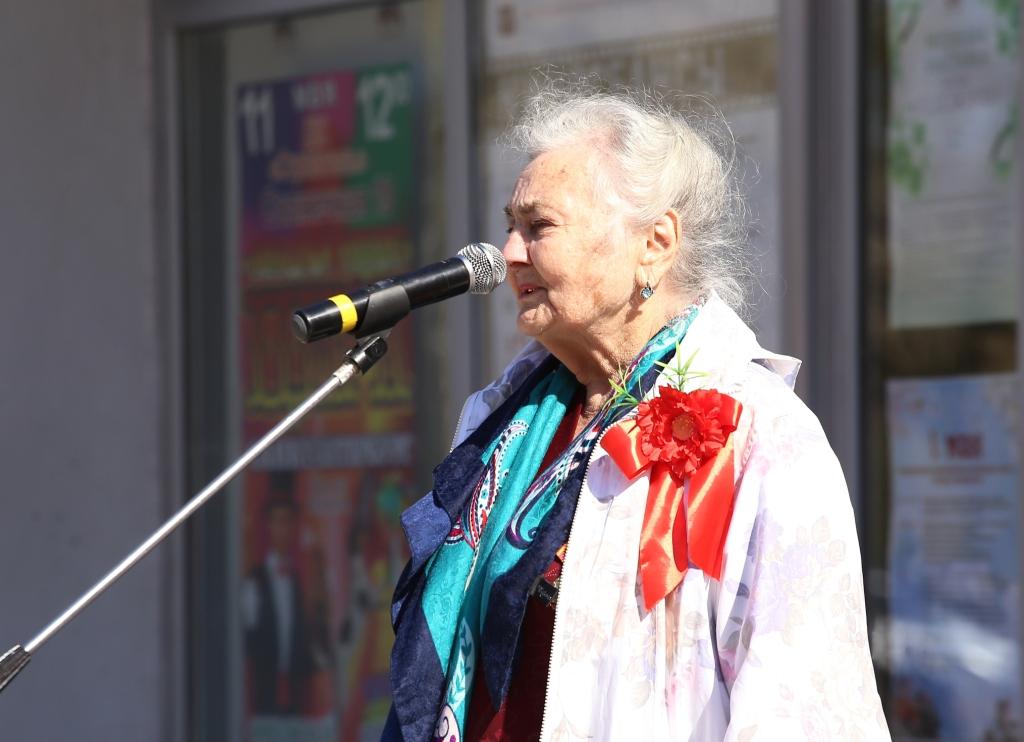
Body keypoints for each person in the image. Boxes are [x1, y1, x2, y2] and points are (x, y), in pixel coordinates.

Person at [383, 80, 889, 741]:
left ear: (654, 242)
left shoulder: (760, 431)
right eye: (510, 226)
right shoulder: (499, 424)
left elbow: (806, 711)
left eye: (539, 227)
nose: (508, 254)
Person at [243, 480, 314, 715]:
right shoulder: (255, 580)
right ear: (269, 527)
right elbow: (249, 636)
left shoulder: (297, 578)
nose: (283, 530)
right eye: (277, 522)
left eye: (287, 522)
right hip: (265, 688)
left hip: (296, 688)